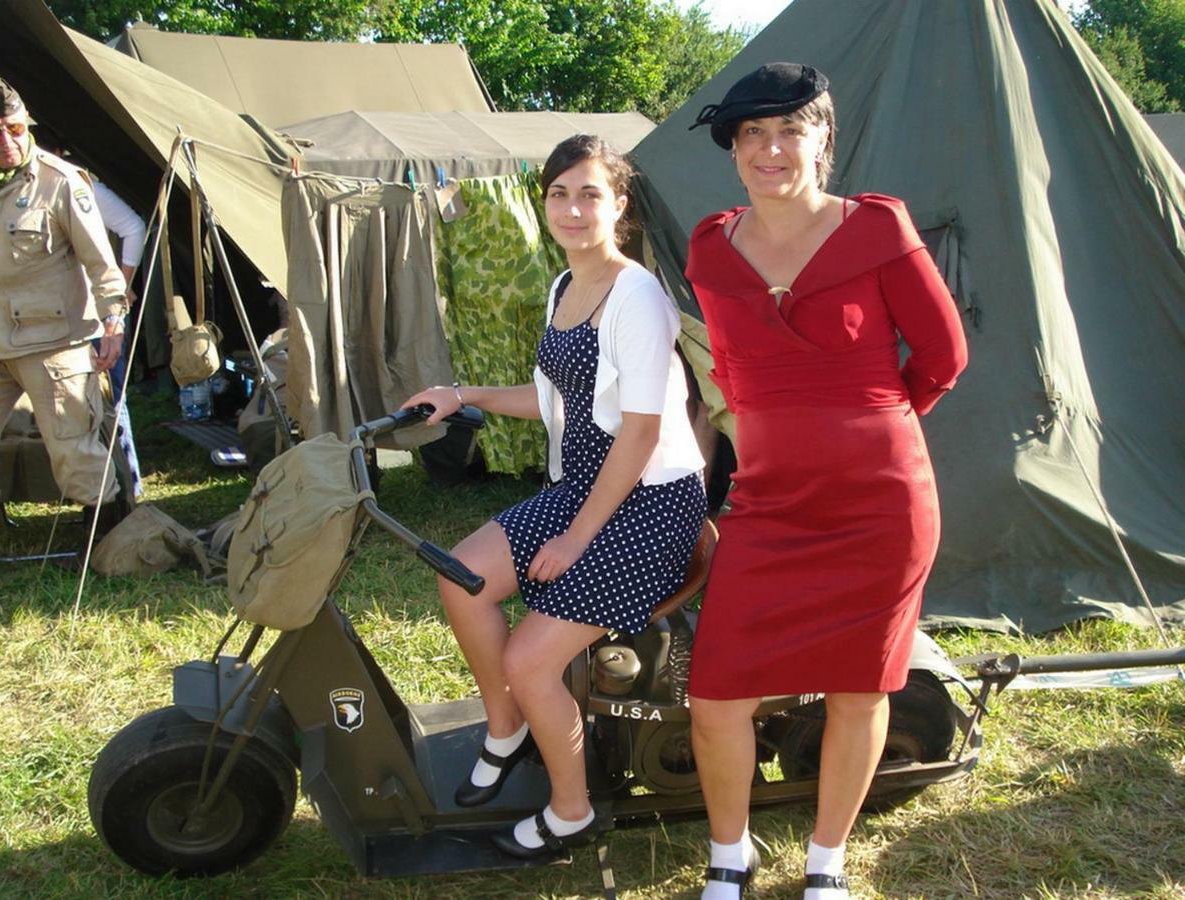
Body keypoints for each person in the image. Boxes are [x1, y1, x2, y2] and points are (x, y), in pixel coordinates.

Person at [684, 63, 968, 899]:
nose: (770, 149)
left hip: (882, 505)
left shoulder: (876, 228)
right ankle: (730, 855)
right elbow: (730, 366)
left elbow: (945, 356)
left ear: (822, 140)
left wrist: (871, 422)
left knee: (858, 687)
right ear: (735, 152)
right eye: (751, 136)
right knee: (717, 691)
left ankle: (827, 865)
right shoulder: (709, 244)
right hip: (769, 503)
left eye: (788, 131)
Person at [404, 134, 707, 858]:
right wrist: (461, 394)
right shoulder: (564, 286)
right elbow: (551, 400)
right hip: (587, 487)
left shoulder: (636, 298)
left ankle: (570, 811)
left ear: (619, 205)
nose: (572, 209)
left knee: (530, 660)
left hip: (652, 503)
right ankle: (508, 729)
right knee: (462, 579)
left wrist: (574, 540)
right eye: (559, 194)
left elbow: (638, 436)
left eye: (590, 193)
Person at [0, 70, 130, 538]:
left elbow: (101, 262)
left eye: (15, 128)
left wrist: (113, 320)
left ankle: (108, 540)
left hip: (52, 339)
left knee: (73, 446)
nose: (5, 140)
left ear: (28, 125)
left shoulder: (60, 182)